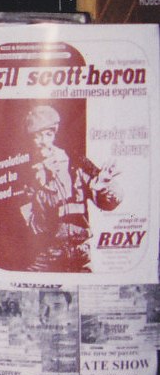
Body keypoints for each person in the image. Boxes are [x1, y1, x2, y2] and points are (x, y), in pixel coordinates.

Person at [19, 103, 118, 272]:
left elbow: (109, 204)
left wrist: (103, 187)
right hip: (49, 253)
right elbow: (33, 225)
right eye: (37, 136)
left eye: (48, 134)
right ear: (30, 139)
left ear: (55, 134)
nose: (43, 141)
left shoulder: (75, 162)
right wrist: (44, 189)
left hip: (81, 251)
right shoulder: (26, 173)